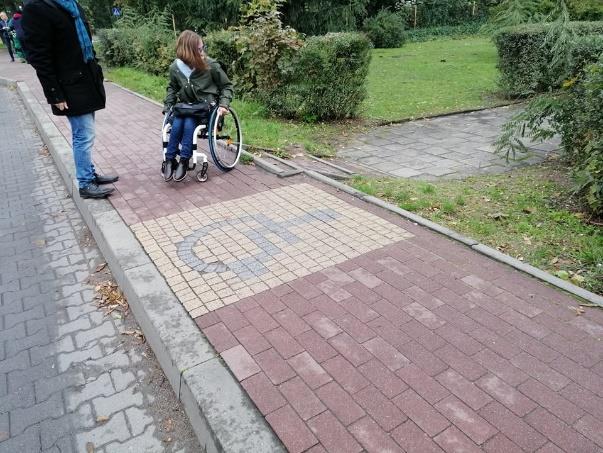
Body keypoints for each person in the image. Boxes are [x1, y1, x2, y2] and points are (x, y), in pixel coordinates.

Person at [22, 0, 118, 199]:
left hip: (86, 79)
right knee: (84, 134)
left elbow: (83, 41)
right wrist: (54, 93)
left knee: (85, 132)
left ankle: (89, 174)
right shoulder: (36, 7)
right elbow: (39, 56)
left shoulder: (71, 4)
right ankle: (85, 183)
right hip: (68, 84)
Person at [163, 30, 233, 182]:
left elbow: (227, 86)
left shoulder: (211, 65)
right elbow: (172, 88)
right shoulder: (175, 68)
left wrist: (224, 104)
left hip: (205, 110)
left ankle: (183, 160)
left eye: (203, 47)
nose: (203, 52)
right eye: (199, 49)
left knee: (188, 122)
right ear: (188, 52)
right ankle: (169, 160)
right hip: (185, 108)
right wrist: (168, 104)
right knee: (178, 122)